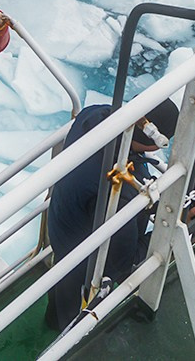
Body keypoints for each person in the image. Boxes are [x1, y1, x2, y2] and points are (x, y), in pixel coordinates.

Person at [44, 99, 180, 329]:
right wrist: (173, 227)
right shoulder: (118, 193)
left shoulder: (95, 115)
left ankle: (53, 320)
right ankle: (67, 335)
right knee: (73, 314)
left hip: (63, 225)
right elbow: (123, 261)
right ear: (156, 143)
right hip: (83, 260)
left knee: (60, 292)